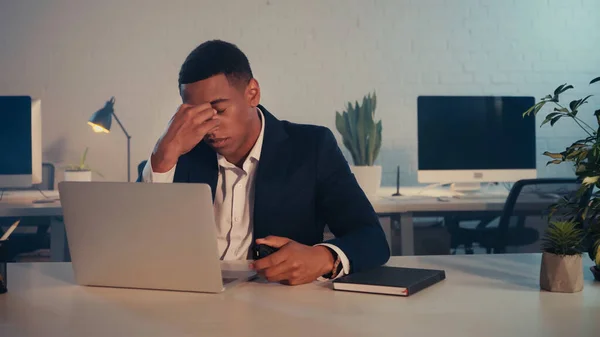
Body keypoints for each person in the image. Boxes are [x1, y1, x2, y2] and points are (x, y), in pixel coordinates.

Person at [141, 40, 389, 285]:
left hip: (279, 307)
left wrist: (323, 258)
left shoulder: (312, 147)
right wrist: (163, 157)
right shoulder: (178, 152)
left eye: (219, 110)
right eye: (197, 115)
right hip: (192, 302)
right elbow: (138, 246)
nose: (209, 127)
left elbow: (372, 238)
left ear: (252, 93)